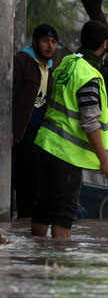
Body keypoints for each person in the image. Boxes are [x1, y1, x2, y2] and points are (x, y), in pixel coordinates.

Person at [32, 20, 108, 239]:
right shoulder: (88, 75)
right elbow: (89, 122)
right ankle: (61, 264)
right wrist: (104, 159)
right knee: (63, 210)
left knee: (44, 203)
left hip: (45, 144)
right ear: (104, 45)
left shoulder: (67, 63)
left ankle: (37, 256)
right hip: (65, 154)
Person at [11, 24, 59, 218]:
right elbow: (9, 95)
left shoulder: (51, 68)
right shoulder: (22, 61)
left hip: (37, 135)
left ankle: (25, 227)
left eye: (54, 42)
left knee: (32, 185)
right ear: (35, 42)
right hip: (16, 132)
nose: (50, 46)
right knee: (14, 181)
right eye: (45, 41)